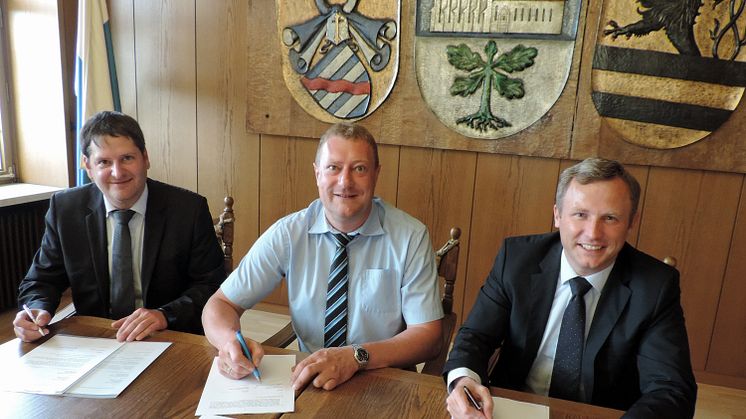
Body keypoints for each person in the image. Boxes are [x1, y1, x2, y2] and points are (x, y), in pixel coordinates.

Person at [444, 158, 697, 418]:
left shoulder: (655, 286)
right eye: (580, 214)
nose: (593, 233)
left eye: (610, 218)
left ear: (632, 222)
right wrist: (463, 381)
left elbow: (671, 389)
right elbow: (475, 336)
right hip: (512, 408)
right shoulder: (518, 258)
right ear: (557, 215)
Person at [202, 122, 443, 391]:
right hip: (310, 380)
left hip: (384, 378)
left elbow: (428, 336)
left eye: (359, 168)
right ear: (317, 174)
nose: (345, 181)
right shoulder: (289, 233)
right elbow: (220, 304)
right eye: (333, 168)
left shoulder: (410, 236)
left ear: (376, 174)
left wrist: (355, 357)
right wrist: (228, 343)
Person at [14, 111, 225, 342]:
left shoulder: (188, 209)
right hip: (97, 337)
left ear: (145, 158)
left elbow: (211, 285)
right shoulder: (65, 209)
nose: (117, 172)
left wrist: (165, 315)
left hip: (169, 335)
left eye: (127, 158)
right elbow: (42, 279)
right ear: (88, 166)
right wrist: (37, 309)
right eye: (104, 162)